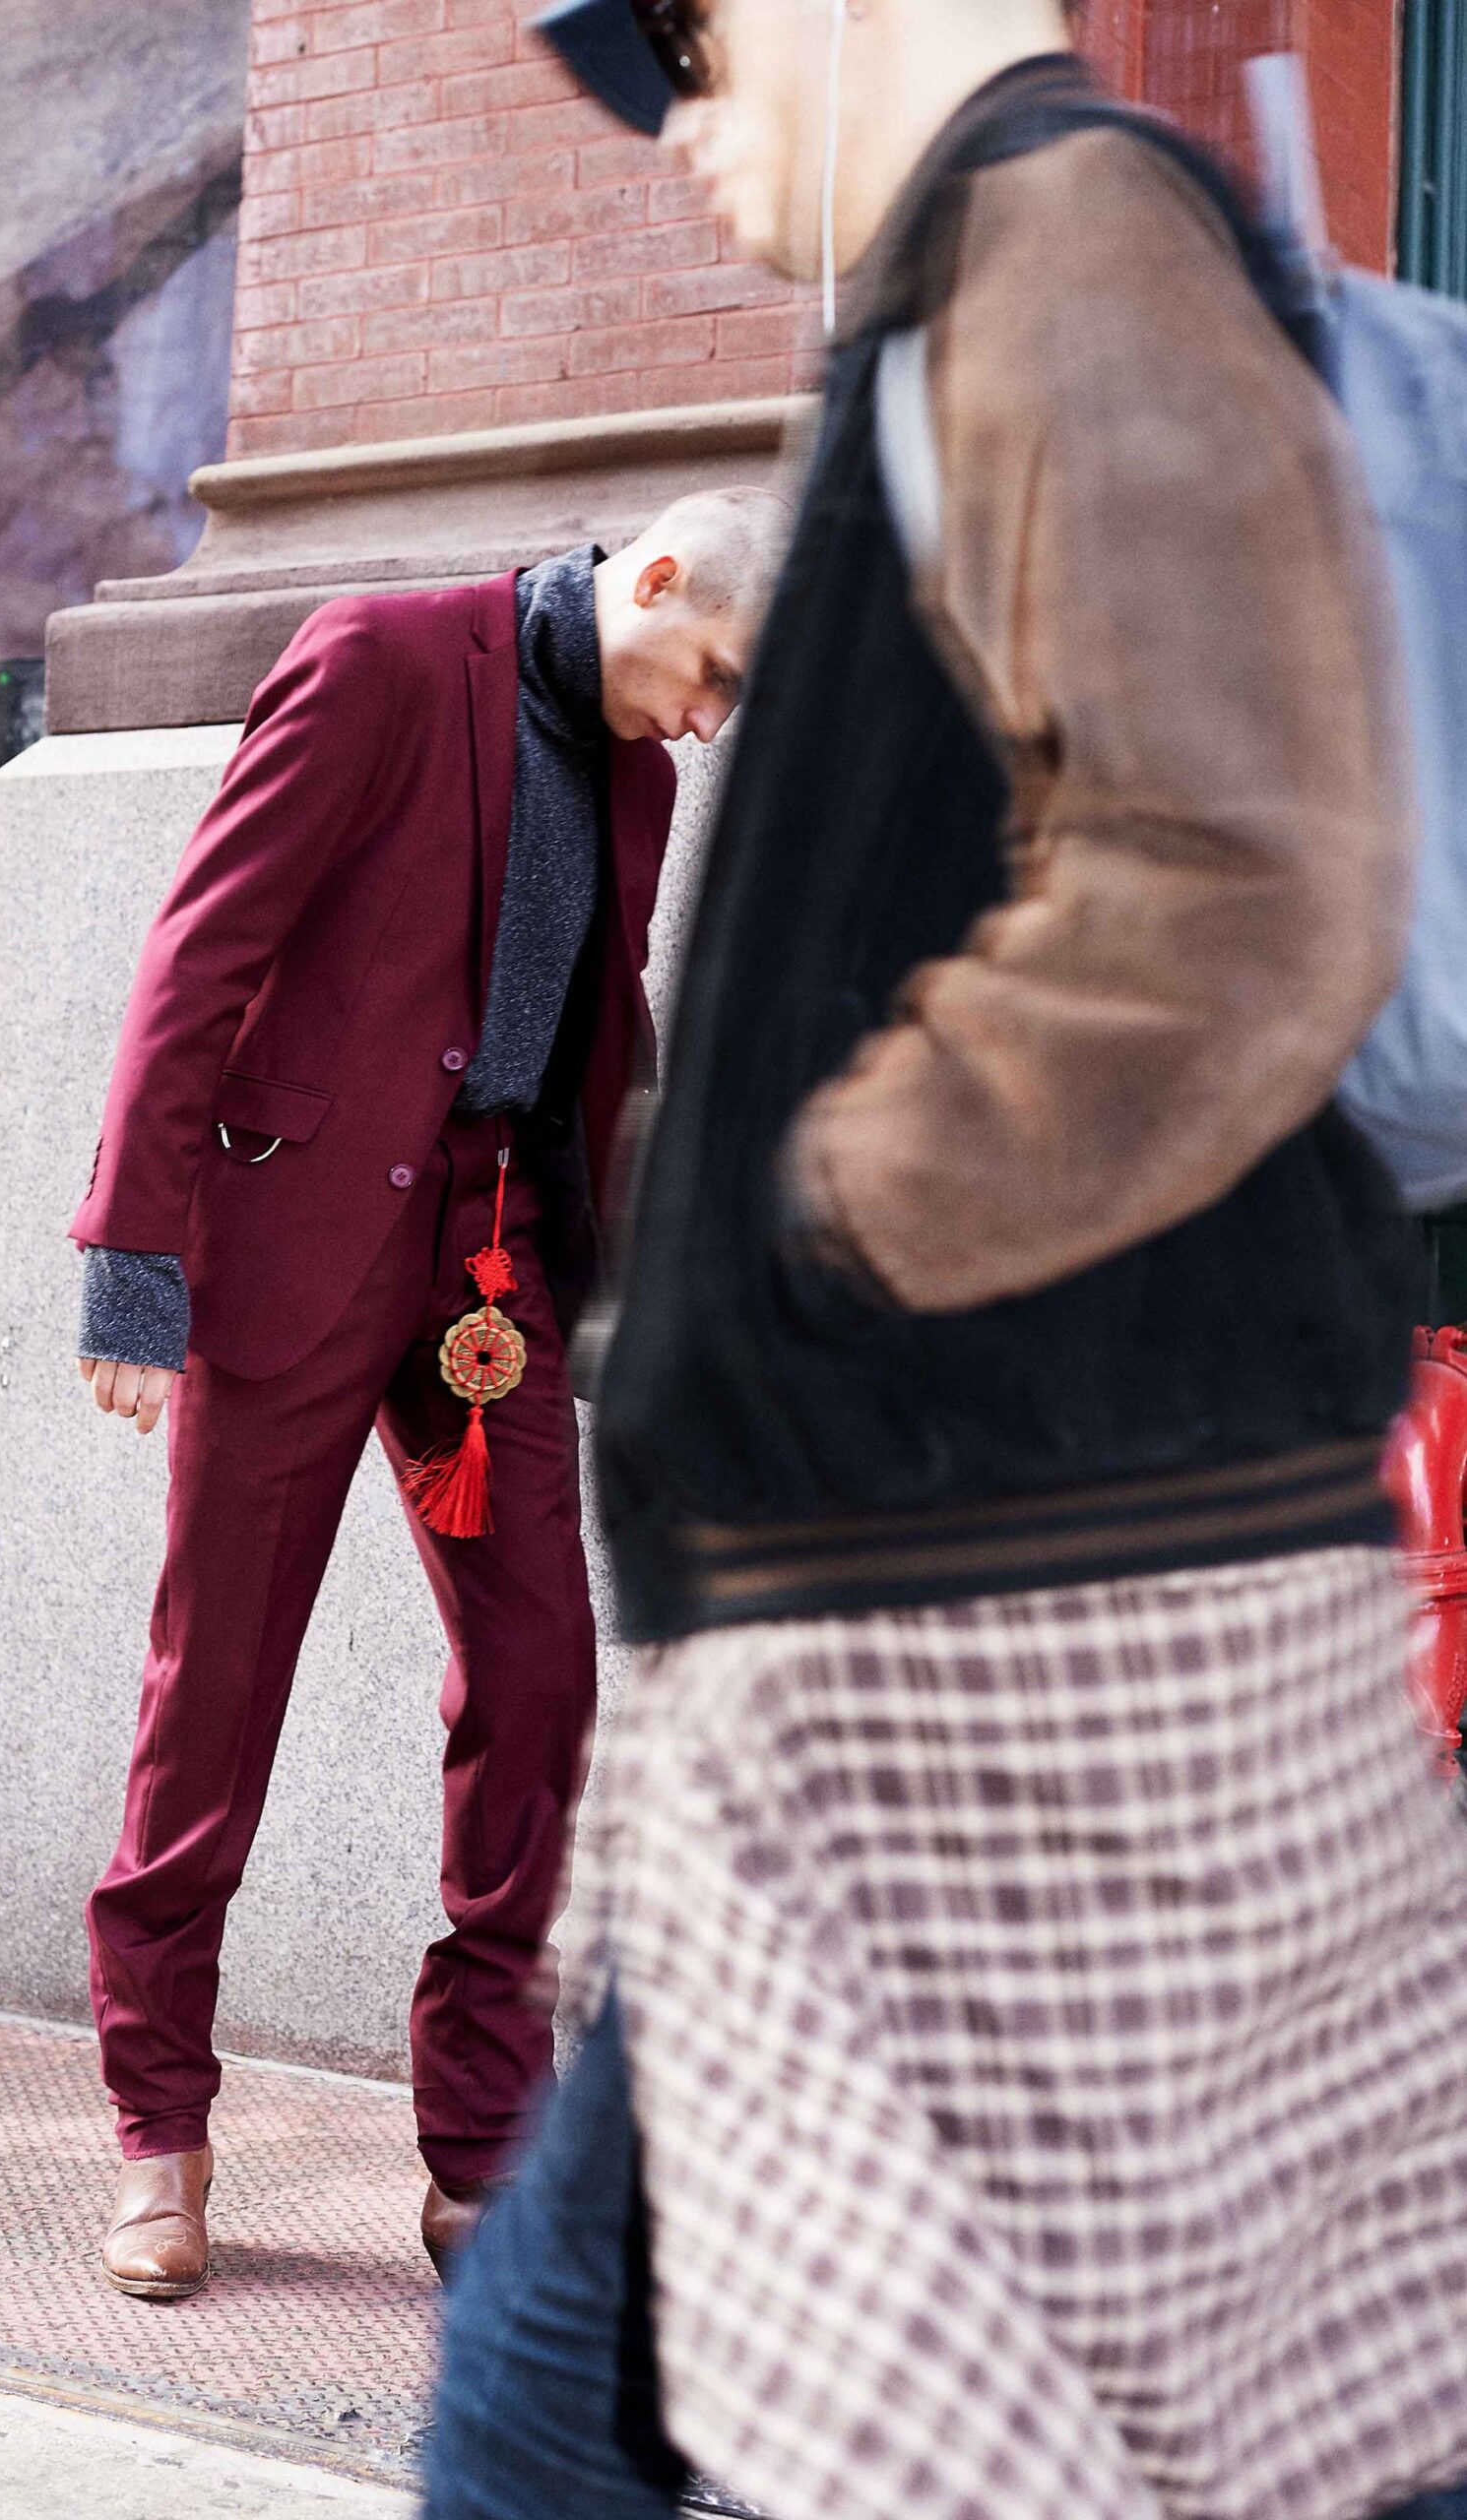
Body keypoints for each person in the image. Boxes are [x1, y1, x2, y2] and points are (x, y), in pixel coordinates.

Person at [423, 4, 1467, 2517]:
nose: (671, 130)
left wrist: (814, 1225)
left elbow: (1241, 878)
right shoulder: (978, 283)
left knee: (561, 2428)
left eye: (668, 48)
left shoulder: (1062, 240)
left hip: (995, 1650)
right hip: (901, 1644)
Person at [73, 494, 779, 2299]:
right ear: (660, 582)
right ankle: (160, 2121)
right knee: (214, 1689)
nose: (701, 721)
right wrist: (135, 1261)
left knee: (541, 1684)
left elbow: (607, 1034)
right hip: (302, 1244)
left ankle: (484, 2143)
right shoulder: (379, 661)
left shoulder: (643, 776)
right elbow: (198, 954)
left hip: (491, 1276)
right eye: (706, 679)